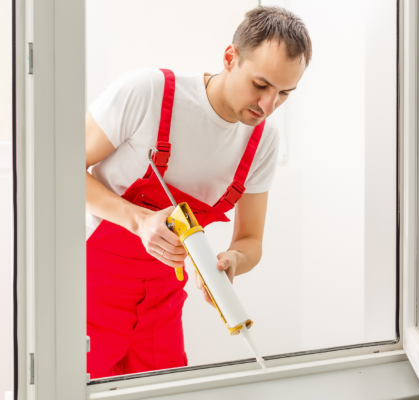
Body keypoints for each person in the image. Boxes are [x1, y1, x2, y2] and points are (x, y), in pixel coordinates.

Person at [85, 5, 312, 378]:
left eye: (285, 93)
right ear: (230, 57)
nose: (268, 106)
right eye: (261, 85)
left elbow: (251, 238)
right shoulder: (150, 92)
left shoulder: (262, 143)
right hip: (89, 293)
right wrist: (138, 220)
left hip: (161, 307)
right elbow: (57, 172)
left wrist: (233, 261)